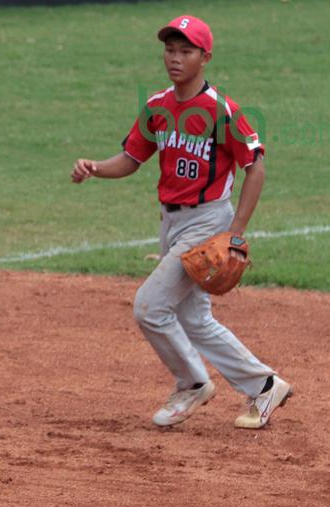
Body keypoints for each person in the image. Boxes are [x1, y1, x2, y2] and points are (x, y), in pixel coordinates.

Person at [70, 15, 292, 429]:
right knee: (194, 320)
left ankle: (192, 383)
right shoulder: (158, 106)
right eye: (170, 50)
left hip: (207, 223)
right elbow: (132, 159)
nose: (175, 58)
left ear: (205, 58)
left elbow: (255, 167)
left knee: (150, 307)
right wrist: (95, 168)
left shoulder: (221, 110)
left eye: (185, 51)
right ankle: (264, 386)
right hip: (171, 222)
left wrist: (235, 233)